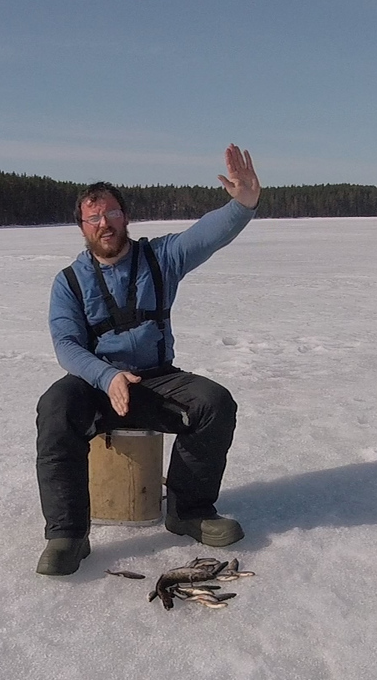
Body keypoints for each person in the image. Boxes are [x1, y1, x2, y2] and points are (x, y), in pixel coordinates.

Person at [34, 144, 261, 576]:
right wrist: (108, 376)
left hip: (157, 381)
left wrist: (243, 204)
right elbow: (66, 345)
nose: (105, 224)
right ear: (82, 226)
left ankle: (188, 511)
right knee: (55, 407)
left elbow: (206, 234)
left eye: (112, 213)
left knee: (214, 403)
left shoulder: (160, 258)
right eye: (94, 217)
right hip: (96, 386)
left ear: (125, 217)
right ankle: (67, 534)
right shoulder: (68, 283)